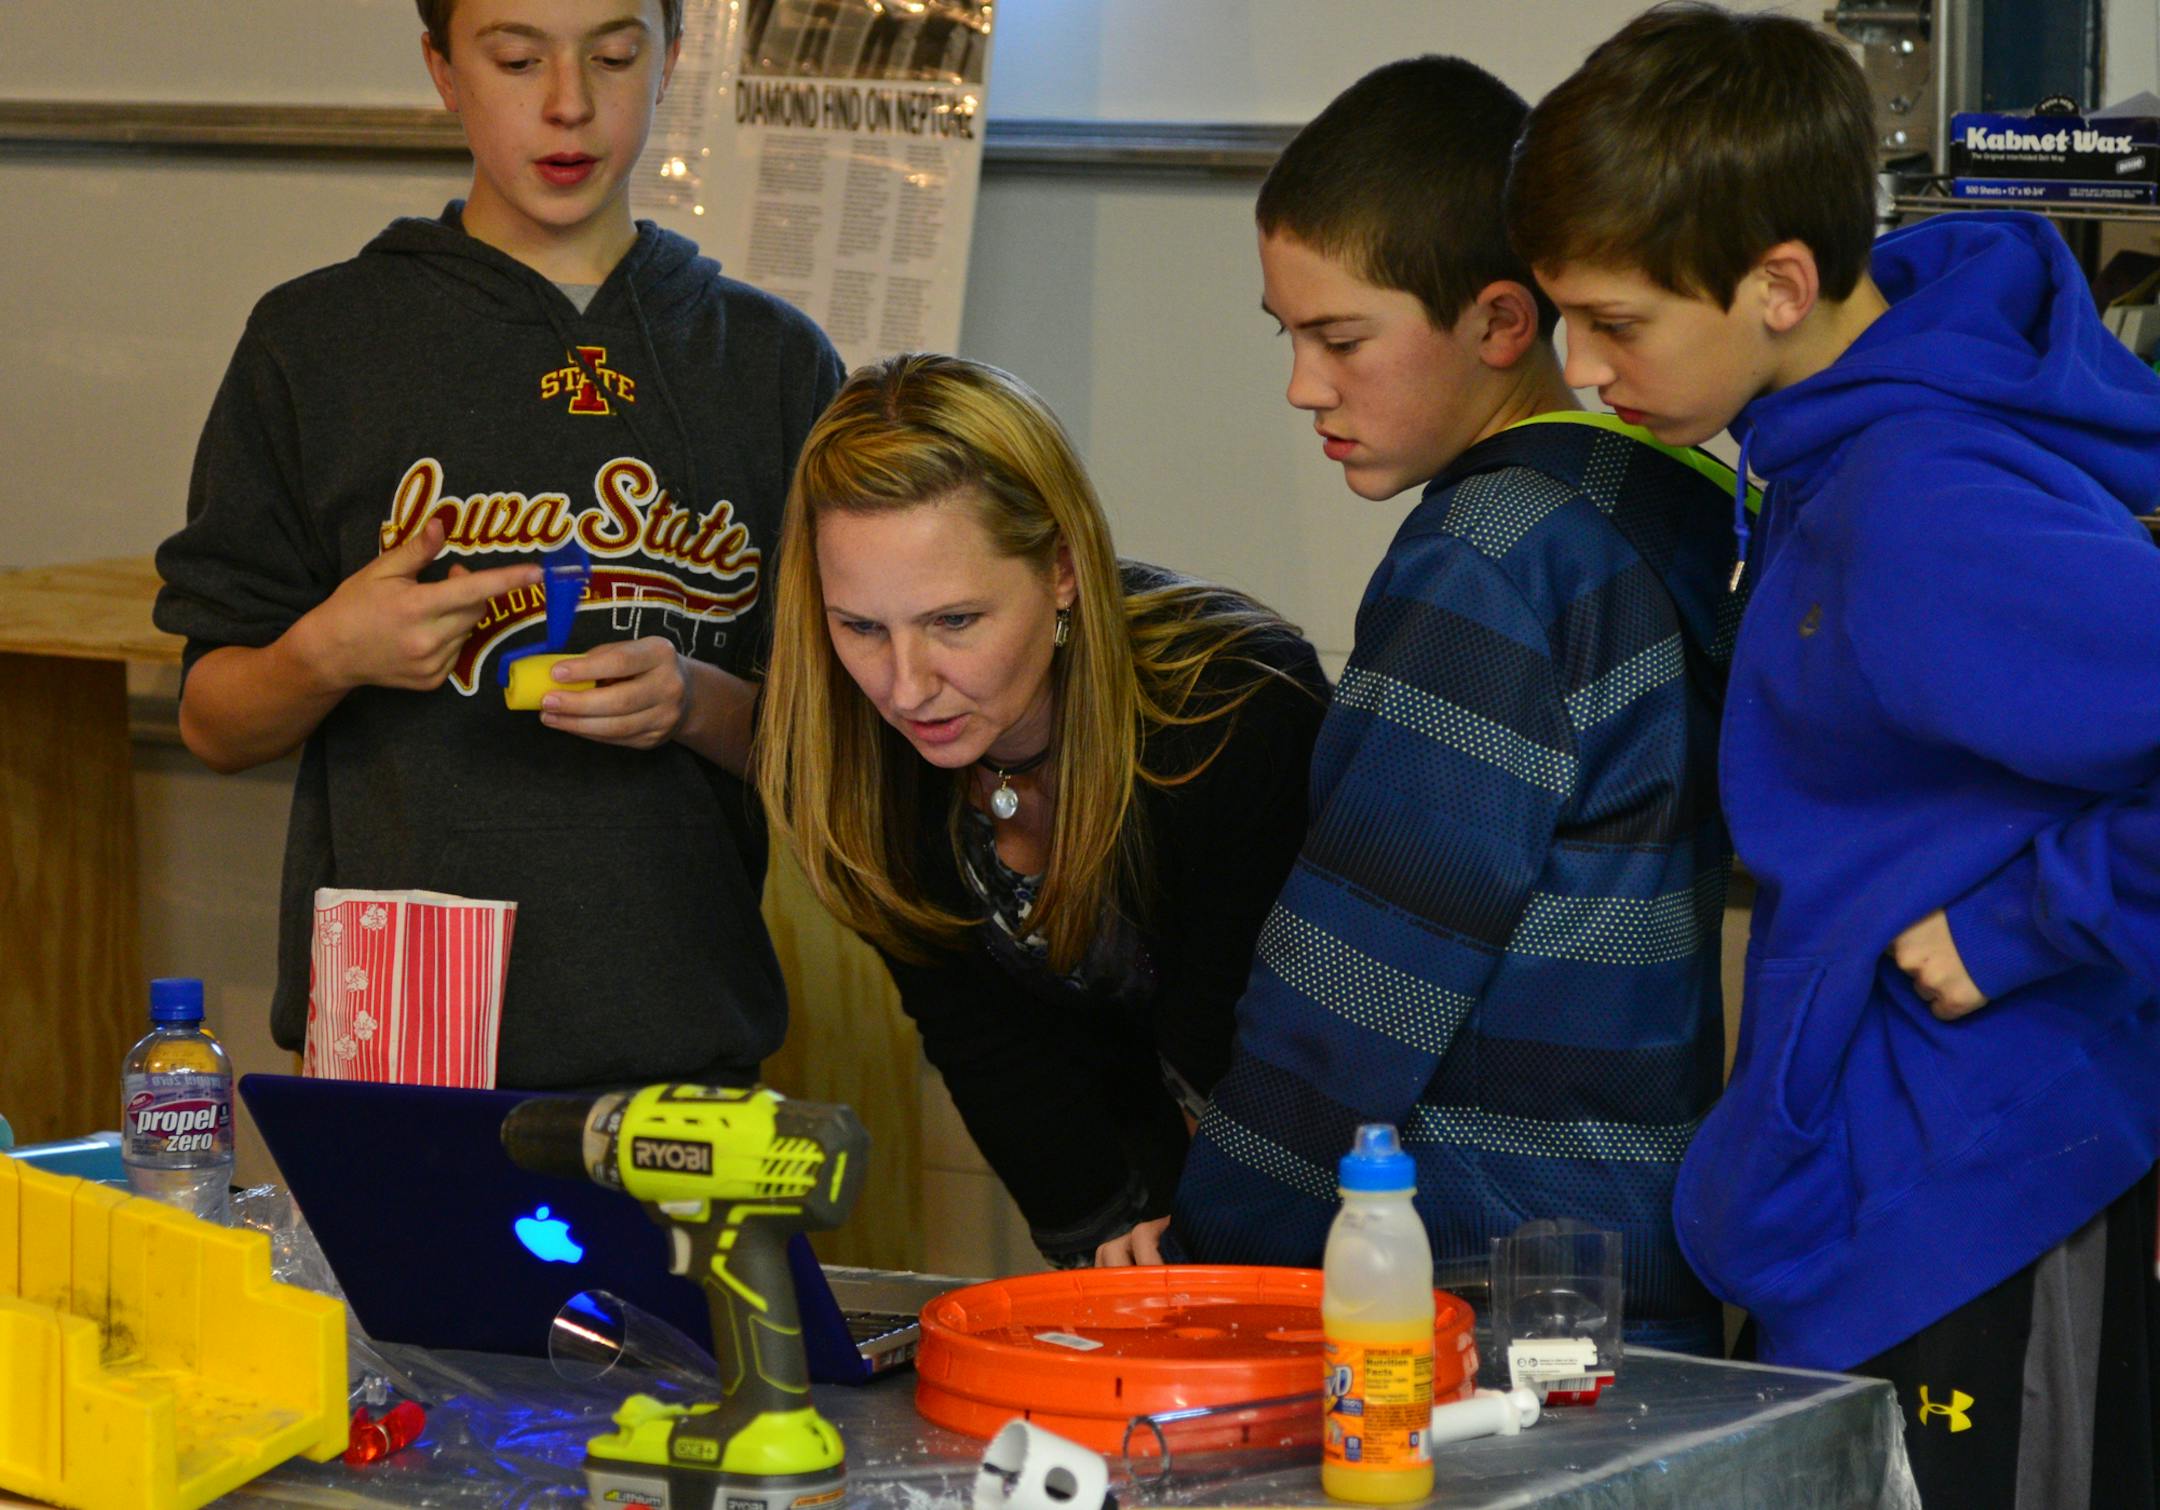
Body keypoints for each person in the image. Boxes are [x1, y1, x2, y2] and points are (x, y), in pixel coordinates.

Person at [1508, 5, 2160, 1502]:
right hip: (1872, 1185)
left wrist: (2028, 919)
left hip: (1986, 1191)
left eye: (1617, 322)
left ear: (1779, 286)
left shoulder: (1917, 506)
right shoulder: (1826, 436)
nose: (1584, 367)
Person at [1149, 55, 1741, 1356]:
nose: (1305, 385)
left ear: (1497, 320)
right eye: (1285, 334)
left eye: (1340, 337)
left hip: (1477, 1275)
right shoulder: (1665, 503)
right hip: (1629, 1238)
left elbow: (1364, 974)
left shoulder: (1491, 557)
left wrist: (1214, 1250)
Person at [153, 0, 843, 1089]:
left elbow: (845, 750)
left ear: (671, 63)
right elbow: (213, 719)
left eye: (615, 56)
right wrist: (325, 653)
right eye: (517, 59)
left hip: (680, 1033)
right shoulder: (317, 344)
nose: (569, 103)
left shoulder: (770, 364)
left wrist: (695, 701)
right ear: (442, 68)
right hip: (402, 1040)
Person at [753, 353, 1328, 1267]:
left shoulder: (1233, 708)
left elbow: (1258, 1045)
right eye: (861, 627)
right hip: (1141, 1193)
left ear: (1061, 569)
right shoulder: (847, 745)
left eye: (953, 622)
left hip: (1319, 1188)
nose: (905, 689)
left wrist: (1195, 1244)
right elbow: (986, 1047)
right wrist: (1099, 1254)